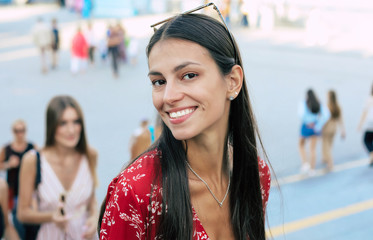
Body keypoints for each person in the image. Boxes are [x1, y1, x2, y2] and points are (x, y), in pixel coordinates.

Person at [99, 3, 271, 239]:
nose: (168, 96)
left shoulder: (255, 173)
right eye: (159, 81)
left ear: (232, 81)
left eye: (188, 75)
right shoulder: (136, 192)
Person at [17, 95, 98, 239]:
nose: (71, 130)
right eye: (63, 123)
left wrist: (95, 217)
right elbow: (22, 213)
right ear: (52, 125)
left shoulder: (90, 155)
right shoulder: (32, 160)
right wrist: (51, 217)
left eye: (76, 122)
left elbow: (91, 200)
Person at [0, 120, 36, 211]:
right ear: (13, 132)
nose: (20, 134)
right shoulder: (6, 149)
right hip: (13, 191)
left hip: (30, 190)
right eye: (17, 131)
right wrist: (8, 164)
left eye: (22, 130)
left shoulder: (32, 147)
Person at [298, 89, 330, 175]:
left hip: (306, 126)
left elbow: (301, 115)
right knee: (312, 149)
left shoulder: (304, 103)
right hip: (315, 127)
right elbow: (326, 115)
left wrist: (308, 122)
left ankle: (305, 163)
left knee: (301, 144)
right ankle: (312, 169)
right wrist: (318, 125)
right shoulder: (318, 103)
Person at [322, 90, 346, 171]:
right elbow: (340, 119)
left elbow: (323, 118)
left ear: (329, 96)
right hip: (334, 127)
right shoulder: (338, 106)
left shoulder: (327, 106)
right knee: (330, 144)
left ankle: (330, 163)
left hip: (328, 126)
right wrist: (342, 130)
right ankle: (326, 158)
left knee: (326, 145)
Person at [358, 83, 373, 167]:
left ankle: (371, 155)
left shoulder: (369, 99)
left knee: (366, 140)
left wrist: (360, 125)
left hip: (370, 124)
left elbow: (364, 113)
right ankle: (371, 157)